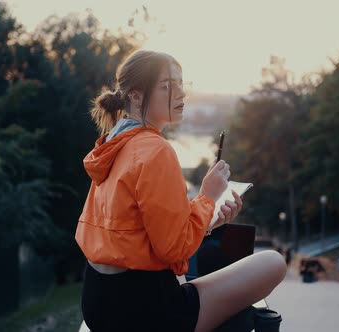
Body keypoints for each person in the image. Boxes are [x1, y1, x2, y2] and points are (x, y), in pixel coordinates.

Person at [75, 50, 287, 332]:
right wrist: (208, 196)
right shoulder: (155, 150)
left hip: (98, 301)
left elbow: (141, 231)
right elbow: (173, 251)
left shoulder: (115, 145)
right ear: (135, 95)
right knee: (273, 263)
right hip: (144, 312)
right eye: (166, 86)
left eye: (181, 84)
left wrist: (209, 219)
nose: (181, 94)